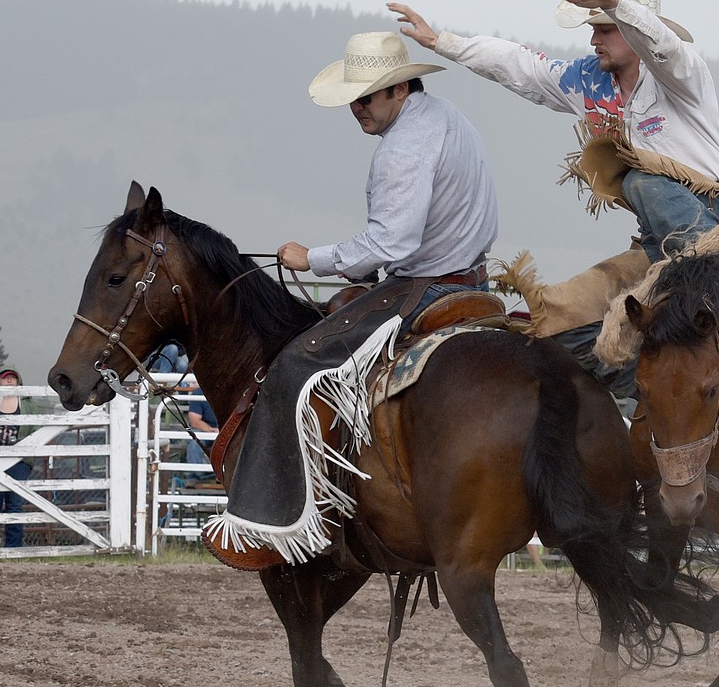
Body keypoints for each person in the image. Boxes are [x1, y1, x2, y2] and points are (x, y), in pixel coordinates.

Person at [206, 31, 499, 566]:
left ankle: (282, 515)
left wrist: (308, 259)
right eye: (353, 98)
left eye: (367, 97)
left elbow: (391, 244)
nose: (357, 108)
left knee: (294, 367)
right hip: (472, 281)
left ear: (400, 90)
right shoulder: (447, 118)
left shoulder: (401, 151)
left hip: (419, 286)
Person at [389, 0, 719, 340]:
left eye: (605, 29)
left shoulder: (679, 75)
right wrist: (442, 42)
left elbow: (664, 47)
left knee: (641, 181)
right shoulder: (588, 80)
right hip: (658, 241)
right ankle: (632, 405)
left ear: (632, 31)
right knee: (559, 319)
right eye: (594, 29)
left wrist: (615, 3)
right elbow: (522, 66)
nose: (593, 40)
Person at [0, 368, 37, 547]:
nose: (9, 381)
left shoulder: (28, 404)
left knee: (15, 506)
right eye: (5, 378)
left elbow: (35, 429)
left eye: (13, 378)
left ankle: (14, 548)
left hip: (19, 462)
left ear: (18, 381)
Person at [184, 387, 218, 486]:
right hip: (206, 431)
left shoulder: (231, 391)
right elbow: (194, 421)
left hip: (226, 430)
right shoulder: (199, 393)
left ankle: (225, 475)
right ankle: (193, 477)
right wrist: (213, 431)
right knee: (195, 442)